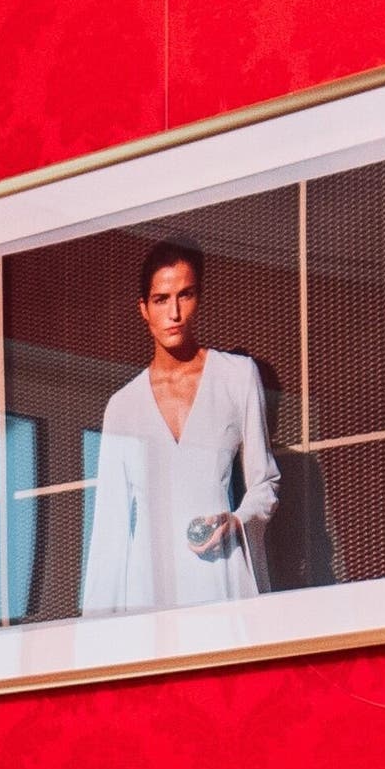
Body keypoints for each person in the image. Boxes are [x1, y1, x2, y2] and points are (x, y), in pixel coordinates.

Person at [78, 236, 277, 615]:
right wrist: (96, 633)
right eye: (161, 299)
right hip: (150, 590)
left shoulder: (237, 376)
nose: (174, 313)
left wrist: (237, 522)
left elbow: (265, 483)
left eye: (184, 295)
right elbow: (109, 530)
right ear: (143, 308)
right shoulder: (122, 406)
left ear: (199, 298)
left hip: (221, 577)